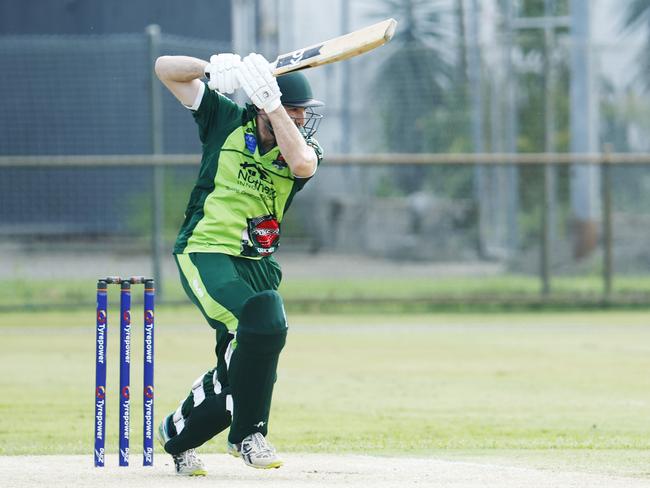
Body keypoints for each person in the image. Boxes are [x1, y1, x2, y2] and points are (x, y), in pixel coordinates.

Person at [153, 52, 324, 476]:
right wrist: (208, 69)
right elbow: (164, 70)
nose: (300, 120)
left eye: (303, 114)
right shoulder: (224, 120)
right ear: (259, 108)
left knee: (246, 368)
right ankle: (248, 436)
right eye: (294, 112)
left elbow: (302, 163)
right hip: (206, 250)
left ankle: (177, 433)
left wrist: (274, 106)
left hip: (258, 263)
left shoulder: (299, 148)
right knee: (262, 327)